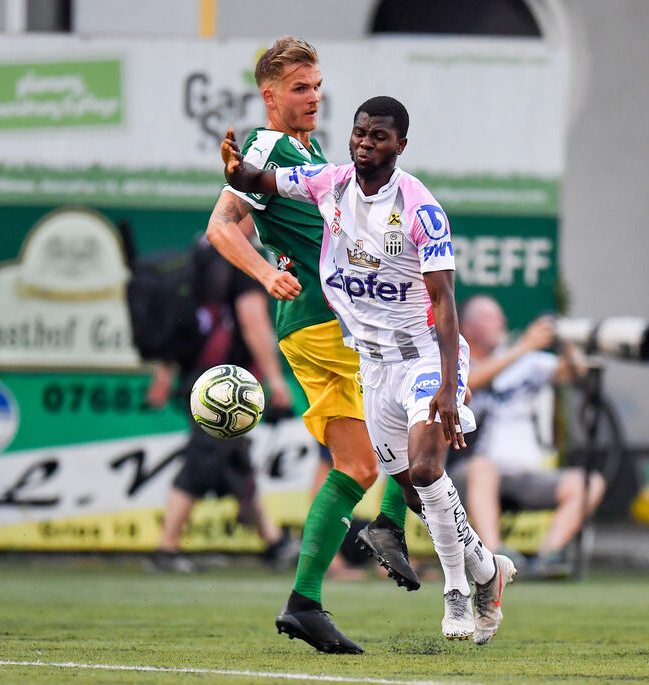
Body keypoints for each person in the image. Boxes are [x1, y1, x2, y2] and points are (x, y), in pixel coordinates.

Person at [221, 95, 518, 647]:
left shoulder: (420, 209)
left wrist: (451, 387)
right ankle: (485, 569)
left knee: (428, 470)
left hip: (425, 354)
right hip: (374, 366)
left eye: (378, 136)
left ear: (400, 145)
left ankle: (457, 591)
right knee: (408, 487)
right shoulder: (328, 182)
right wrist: (237, 170)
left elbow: (446, 300)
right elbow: (269, 181)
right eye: (359, 133)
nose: (364, 143)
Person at [206, 37, 418, 655]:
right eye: (300, 88)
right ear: (270, 96)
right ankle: (391, 529)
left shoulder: (308, 150)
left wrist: (273, 245)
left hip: (324, 320)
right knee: (413, 404)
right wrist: (267, 273)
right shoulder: (264, 144)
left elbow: (255, 218)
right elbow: (221, 226)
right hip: (326, 322)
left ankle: (304, 602)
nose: (314, 97)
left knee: (357, 465)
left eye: (317, 86)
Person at [146, 236, 299, 573]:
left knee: (234, 461)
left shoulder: (200, 252)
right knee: (204, 456)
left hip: (195, 374)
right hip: (224, 382)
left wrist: (164, 373)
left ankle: (273, 543)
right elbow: (251, 319)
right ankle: (165, 550)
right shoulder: (242, 254)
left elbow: (181, 320)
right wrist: (275, 378)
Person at [453, 295, 606, 578]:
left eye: (500, 316)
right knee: (483, 468)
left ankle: (547, 559)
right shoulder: (458, 359)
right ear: (468, 328)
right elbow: (469, 384)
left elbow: (577, 374)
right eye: (490, 317)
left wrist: (567, 341)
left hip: (526, 477)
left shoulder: (528, 361)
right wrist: (525, 346)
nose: (500, 322)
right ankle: (494, 556)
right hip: (471, 474)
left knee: (589, 483)